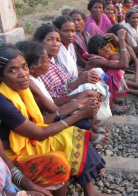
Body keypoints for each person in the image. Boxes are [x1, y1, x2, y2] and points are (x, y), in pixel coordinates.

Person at [0, 44, 119, 196]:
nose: (23, 74)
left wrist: (77, 106)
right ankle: (88, 184)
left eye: (24, 67)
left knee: (74, 133)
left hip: (30, 137)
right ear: (1, 76)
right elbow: (40, 130)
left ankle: (90, 189)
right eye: (12, 70)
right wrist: (78, 112)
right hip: (16, 152)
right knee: (65, 149)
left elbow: (40, 119)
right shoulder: (4, 101)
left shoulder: (21, 87)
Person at [16, 40, 109, 146]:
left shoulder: (37, 78)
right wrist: (78, 103)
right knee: (82, 115)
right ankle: (88, 136)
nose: (49, 64)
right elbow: (54, 109)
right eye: (46, 61)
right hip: (45, 122)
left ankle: (89, 133)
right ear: (32, 68)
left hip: (53, 114)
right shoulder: (30, 83)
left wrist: (83, 96)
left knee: (88, 97)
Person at [85, 31, 138, 114]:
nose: (109, 50)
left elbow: (127, 56)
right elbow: (124, 64)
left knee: (114, 69)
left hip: (98, 91)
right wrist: (121, 40)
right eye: (108, 47)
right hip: (93, 94)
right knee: (112, 72)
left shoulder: (101, 56)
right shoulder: (94, 61)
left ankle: (136, 91)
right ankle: (111, 105)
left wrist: (119, 41)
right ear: (99, 49)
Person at [33, 24, 100, 106]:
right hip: (59, 103)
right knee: (89, 89)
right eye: (50, 40)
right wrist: (80, 81)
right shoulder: (40, 66)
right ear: (39, 42)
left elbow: (66, 81)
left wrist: (85, 77)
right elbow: (54, 98)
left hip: (66, 96)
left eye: (58, 40)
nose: (55, 44)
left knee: (95, 82)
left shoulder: (52, 60)